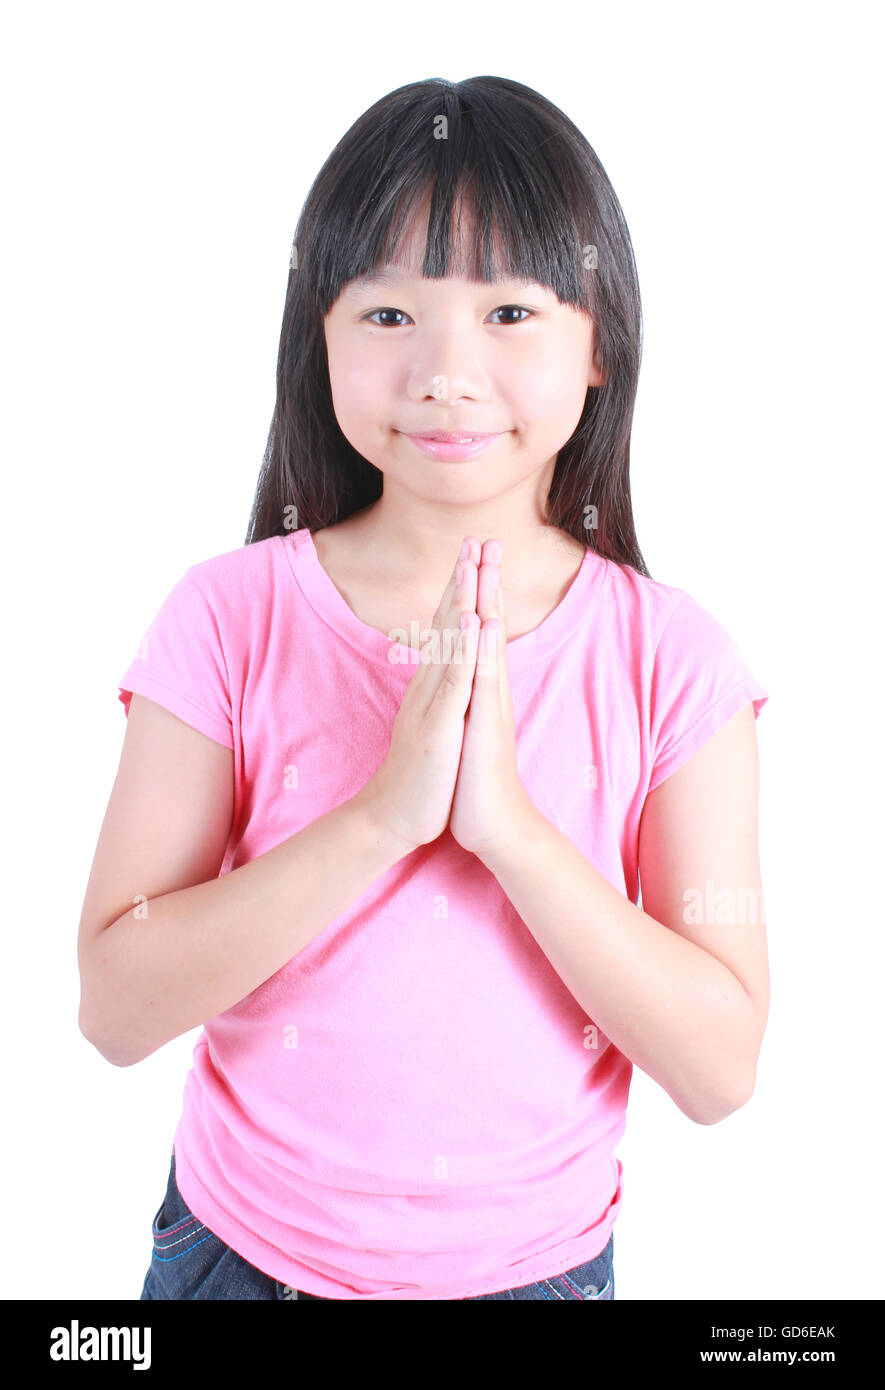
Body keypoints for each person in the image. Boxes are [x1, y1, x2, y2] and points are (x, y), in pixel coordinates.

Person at [77, 75, 770, 1301]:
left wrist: (502, 827)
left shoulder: (676, 659)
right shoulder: (227, 616)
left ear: (599, 341)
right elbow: (115, 1008)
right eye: (389, 314)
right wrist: (384, 816)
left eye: (509, 311)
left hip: (535, 1277)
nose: (447, 373)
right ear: (322, 337)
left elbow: (720, 1071)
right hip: (239, 1259)